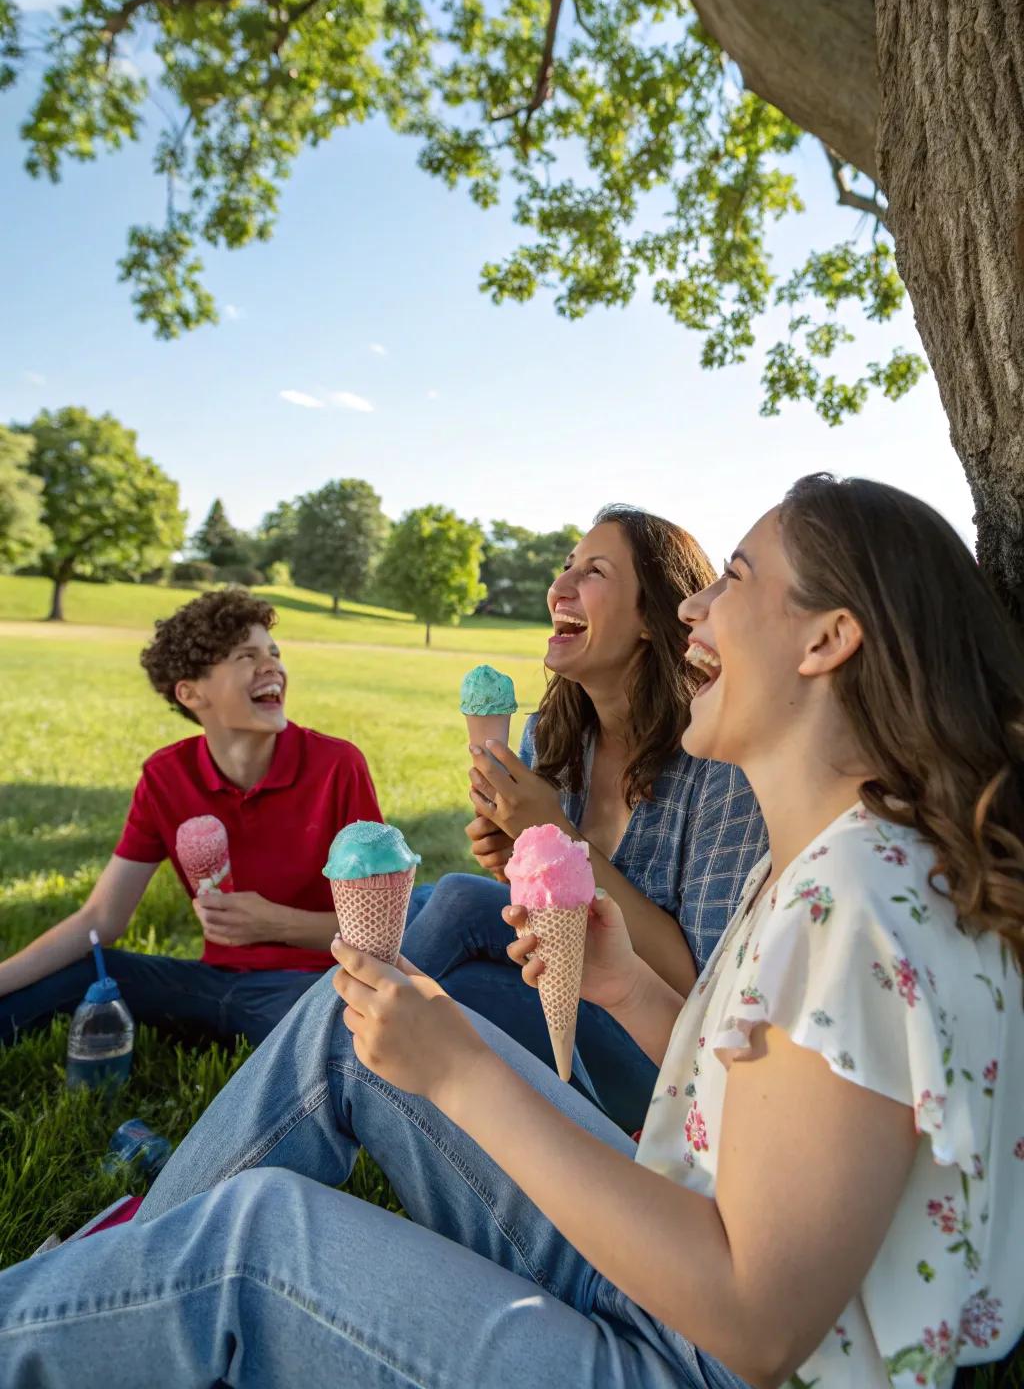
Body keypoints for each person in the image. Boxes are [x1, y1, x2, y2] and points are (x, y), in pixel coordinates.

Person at [6, 473, 1019, 1388]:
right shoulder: (834, 861)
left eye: (734, 580)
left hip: (692, 1356)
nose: (695, 606)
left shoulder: (860, 908)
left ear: (824, 640)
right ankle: (125, 1272)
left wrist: (460, 1072)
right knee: (345, 1031)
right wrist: (629, 989)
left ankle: (117, 1285)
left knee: (253, 1242)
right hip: (673, 1254)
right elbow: (764, 1112)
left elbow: (756, 1327)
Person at [402, 506, 766, 1128]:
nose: (559, 587)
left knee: (454, 918)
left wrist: (555, 835)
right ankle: (342, 1025)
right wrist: (514, 860)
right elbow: (545, 926)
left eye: (593, 572)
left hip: (662, 1052)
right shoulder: (553, 735)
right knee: (423, 913)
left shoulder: (718, 764)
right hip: (565, 994)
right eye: (565, 566)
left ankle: (329, 1028)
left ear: (653, 617)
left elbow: (698, 987)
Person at [0, 588, 382, 1049]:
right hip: (210, 982)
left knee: (347, 1035)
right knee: (89, 972)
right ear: (191, 692)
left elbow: (376, 936)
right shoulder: (166, 776)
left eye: (274, 653)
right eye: (247, 655)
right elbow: (101, 918)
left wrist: (275, 923)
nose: (272, 666)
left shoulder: (337, 765)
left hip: (310, 988)